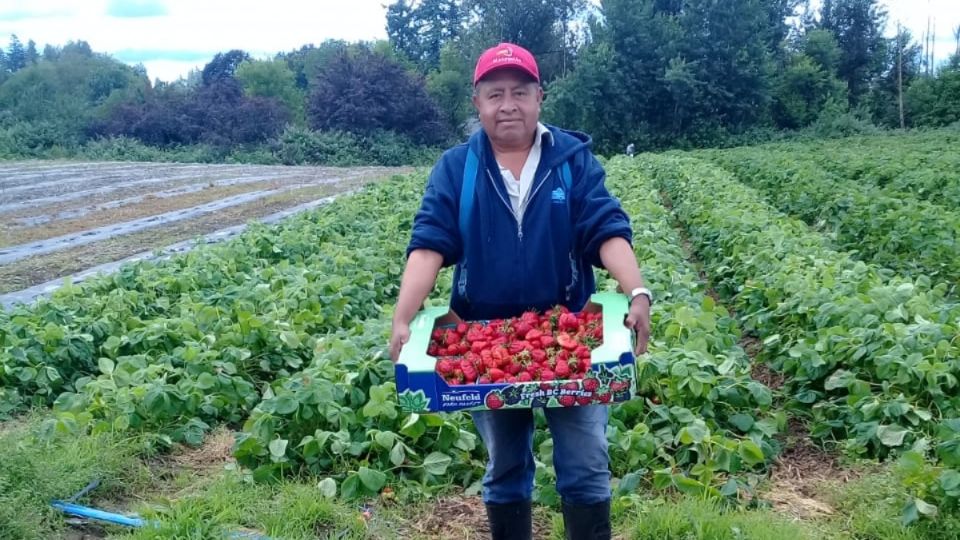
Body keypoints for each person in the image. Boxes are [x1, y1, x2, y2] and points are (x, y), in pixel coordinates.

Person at [389, 42, 651, 540]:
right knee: (505, 467)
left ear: (539, 98)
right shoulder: (457, 167)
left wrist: (637, 290)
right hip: (483, 342)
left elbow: (606, 228)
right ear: (478, 103)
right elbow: (428, 243)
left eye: (519, 92)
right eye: (494, 94)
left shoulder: (572, 161)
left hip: (569, 333)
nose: (507, 105)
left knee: (585, 462)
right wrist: (404, 315)